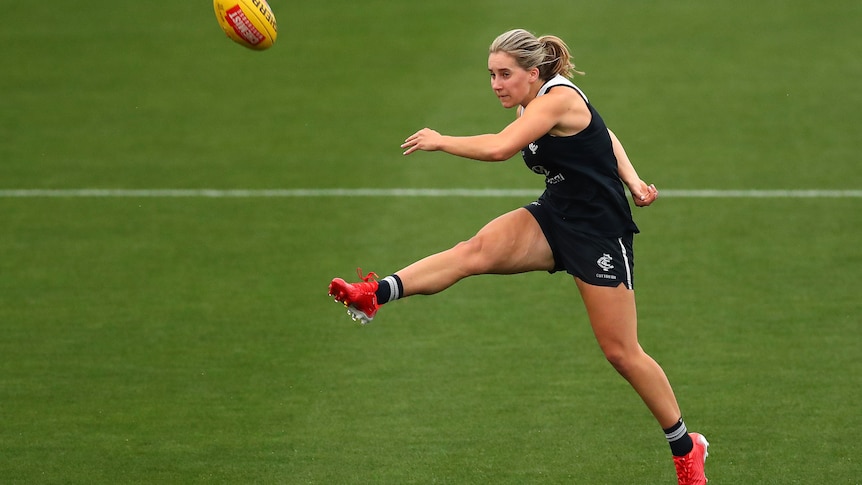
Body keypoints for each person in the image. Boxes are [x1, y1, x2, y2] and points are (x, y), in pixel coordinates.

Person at [328, 28, 708, 484]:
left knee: (621, 353)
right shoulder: (534, 101)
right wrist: (634, 179)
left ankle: (687, 447)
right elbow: (607, 135)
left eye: (505, 75)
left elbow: (500, 148)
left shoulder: (557, 100)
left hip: (599, 234)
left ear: (533, 73)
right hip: (554, 216)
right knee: (474, 252)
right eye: (491, 75)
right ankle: (375, 294)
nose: (496, 85)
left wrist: (441, 139)